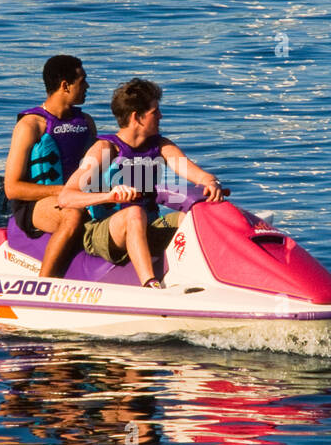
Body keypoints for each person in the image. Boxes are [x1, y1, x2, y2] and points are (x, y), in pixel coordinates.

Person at [59, 78, 223, 288]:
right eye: (155, 112)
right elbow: (66, 197)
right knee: (134, 213)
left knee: (191, 218)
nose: (161, 116)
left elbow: (198, 175)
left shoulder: (162, 147)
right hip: (104, 232)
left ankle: (205, 278)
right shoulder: (105, 149)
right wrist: (109, 196)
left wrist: (211, 183)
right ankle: (150, 284)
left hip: (147, 225)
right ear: (137, 117)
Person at [3, 55, 97, 278]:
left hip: (77, 197)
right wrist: (65, 192)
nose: (87, 86)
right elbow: (12, 189)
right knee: (72, 215)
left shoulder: (86, 123)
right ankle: (44, 283)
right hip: (34, 206)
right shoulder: (31, 125)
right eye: (82, 81)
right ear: (65, 85)